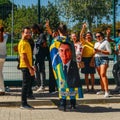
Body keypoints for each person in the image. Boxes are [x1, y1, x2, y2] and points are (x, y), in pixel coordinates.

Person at [50, 23, 83, 111]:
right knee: (72, 83)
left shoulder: (55, 41)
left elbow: (53, 54)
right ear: (66, 31)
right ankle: (73, 103)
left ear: (58, 31)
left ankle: (63, 104)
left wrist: (55, 66)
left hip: (59, 66)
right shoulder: (70, 41)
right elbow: (74, 54)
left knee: (62, 84)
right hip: (71, 64)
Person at [58, 42, 82, 111]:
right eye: (61, 51)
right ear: (59, 52)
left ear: (71, 52)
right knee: (62, 86)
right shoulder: (57, 66)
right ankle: (63, 103)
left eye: (67, 50)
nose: (64, 53)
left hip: (72, 78)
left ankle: (73, 104)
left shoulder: (75, 65)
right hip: (62, 83)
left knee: (72, 87)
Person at [18, 26, 35, 109]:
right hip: (25, 66)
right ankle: (23, 103)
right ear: (22, 33)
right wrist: (29, 68)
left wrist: (31, 66)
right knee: (25, 85)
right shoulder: (23, 43)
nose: (28, 34)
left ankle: (25, 102)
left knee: (27, 84)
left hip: (27, 66)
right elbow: (24, 57)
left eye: (29, 32)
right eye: (26, 32)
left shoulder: (26, 42)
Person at [31, 23, 49, 92]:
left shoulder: (42, 35)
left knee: (42, 70)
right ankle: (38, 85)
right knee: (37, 70)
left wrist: (40, 47)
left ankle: (42, 86)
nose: (32, 31)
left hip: (41, 56)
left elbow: (44, 44)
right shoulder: (38, 36)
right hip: (37, 56)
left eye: (33, 30)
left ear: (36, 29)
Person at [94, 32, 112, 98]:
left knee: (103, 74)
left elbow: (109, 52)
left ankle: (107, 91)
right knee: (100, 75)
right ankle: (102, 89)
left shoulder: (106, 42)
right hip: (97, 59)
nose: (98, 37)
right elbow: (95, 52)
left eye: (99, 36)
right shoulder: (96, 43)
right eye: (96, 36)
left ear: (102, 36)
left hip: (104, 59)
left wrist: (100, 51)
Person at [80, 23, 96, 92]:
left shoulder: (94, 43)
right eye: (87, 36)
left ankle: (92, 88)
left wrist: (92, 60)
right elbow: (80, 35)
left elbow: (95, 52)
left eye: (89, 35)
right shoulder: (84, 42)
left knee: (92, 74)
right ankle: (87, 88)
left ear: (91, 37)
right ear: (85, 37)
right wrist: (83, 28)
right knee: (86, 75)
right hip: (84, 59)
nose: (88, 36)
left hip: (91, 59)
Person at [0, 25, 8, 95]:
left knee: (0, 73)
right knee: (0, 72)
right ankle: (1, 88)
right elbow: (5, 34)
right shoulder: (5, 36)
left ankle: (2, 89)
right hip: (3, 57)